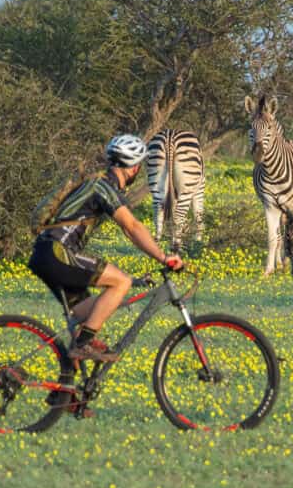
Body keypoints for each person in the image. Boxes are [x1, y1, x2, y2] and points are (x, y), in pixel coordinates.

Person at [29, 134, 184, 363]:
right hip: (58, 252)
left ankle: (65, 392)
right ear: (133, 168)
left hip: (45, 253)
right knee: (121, 282)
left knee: (86, 315)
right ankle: (83, 345)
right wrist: (163, 257)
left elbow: (128, 230)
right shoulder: (104, 186)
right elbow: (131, 226)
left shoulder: (97, 182)